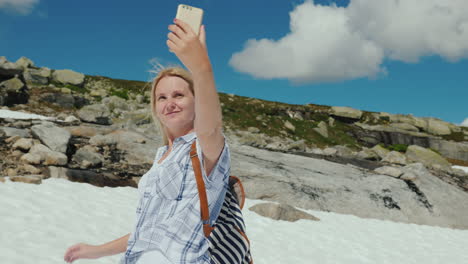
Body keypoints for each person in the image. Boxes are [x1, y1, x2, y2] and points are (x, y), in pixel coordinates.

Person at [64, 18, 231, 264]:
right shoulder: (162, 156)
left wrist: (201, 67)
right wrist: (94, 251)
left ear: (197, 101)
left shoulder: (204, 146)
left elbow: (211, 127)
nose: (169, 102)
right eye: (161, 97)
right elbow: (150, 233)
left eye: (179, 95)